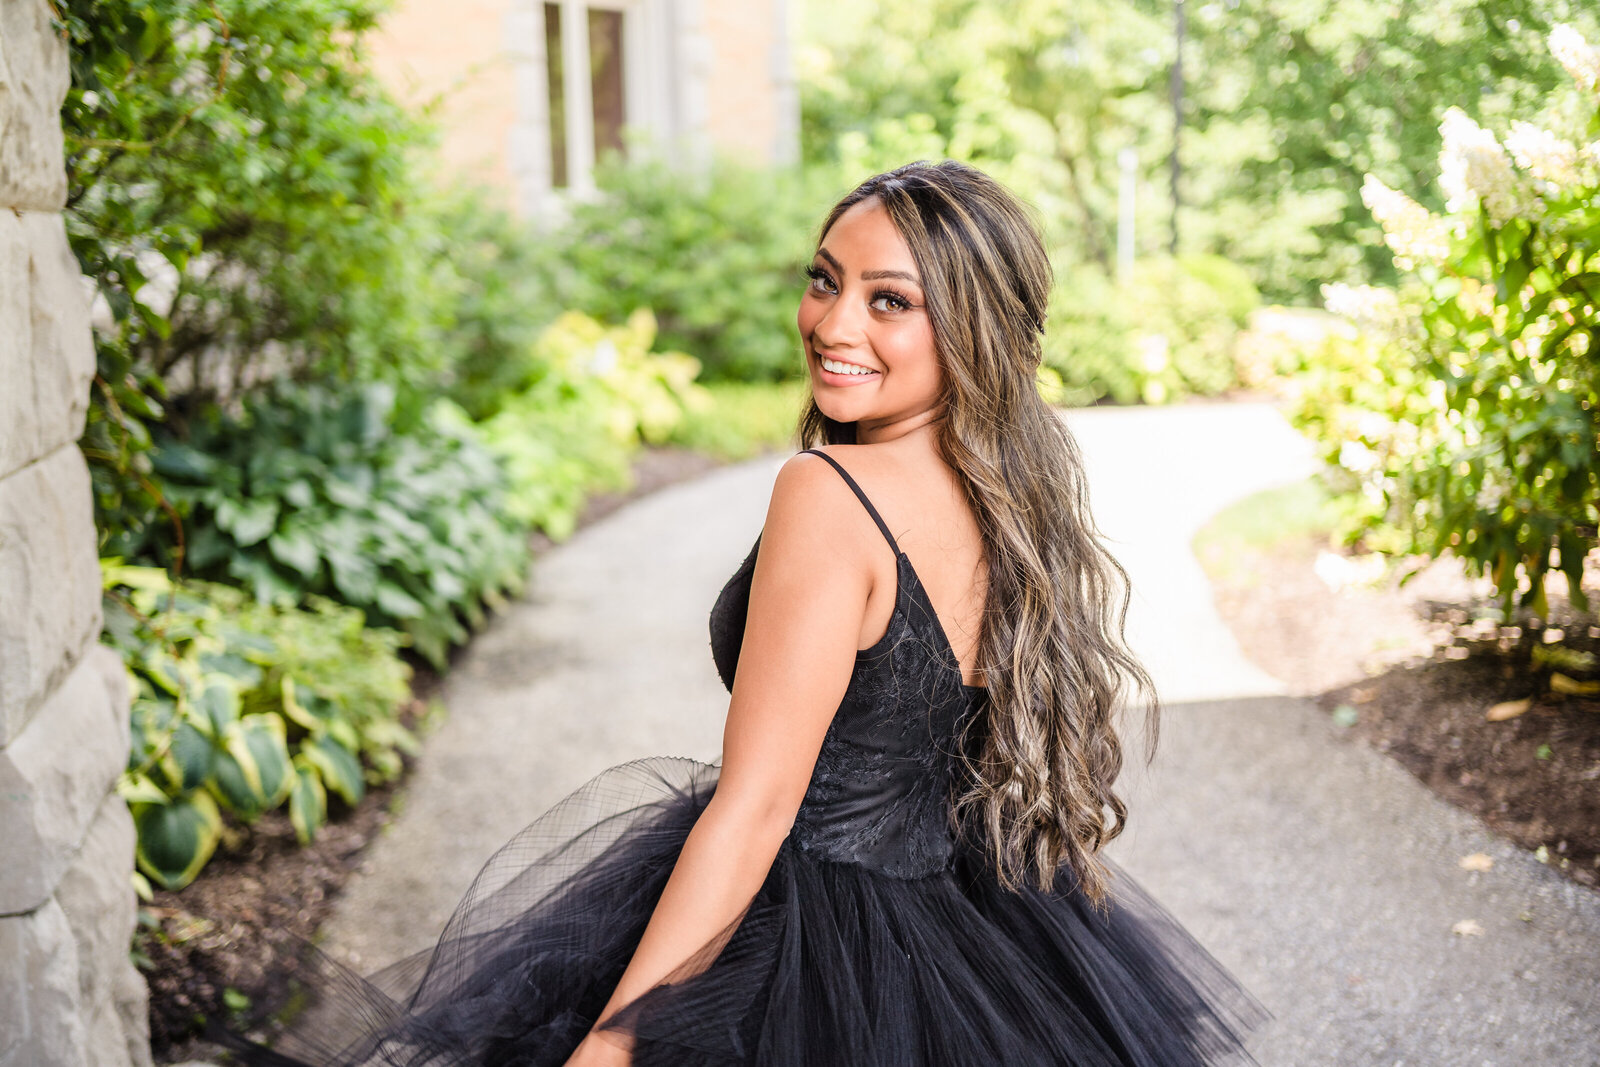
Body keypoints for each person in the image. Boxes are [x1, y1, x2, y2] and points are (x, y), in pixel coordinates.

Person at [227, 160, 1268, 1066]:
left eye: (888, 300)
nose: (832, 322)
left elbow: (759, 807)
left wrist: (616, 1034)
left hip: (810, 938)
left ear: (973, 324)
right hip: (967, 924)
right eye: (824, 280)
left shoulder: (829, 494)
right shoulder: (1011, 492)